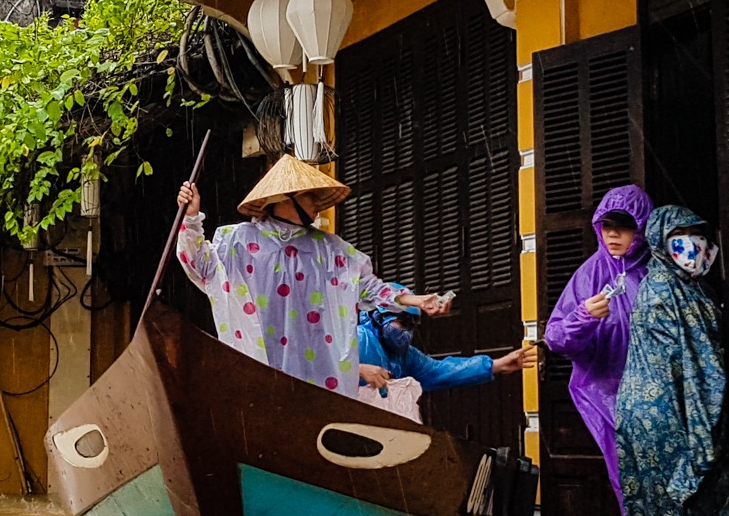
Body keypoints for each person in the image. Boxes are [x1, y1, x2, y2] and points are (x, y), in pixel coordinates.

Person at [175, 155, 447, 396]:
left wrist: (417, 301)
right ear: (284, 198)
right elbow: (200, 265)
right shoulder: (239, 241)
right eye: (309, 196)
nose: (317, 204)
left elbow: (368, 287)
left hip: (316, 369)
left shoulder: (329, 250)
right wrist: (191, 217)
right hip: (258, 362)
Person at [615, 205, 729, 516]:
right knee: (680, 507)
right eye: (680, 237)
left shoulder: (679, 287)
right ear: (660, 242)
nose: (693, 246)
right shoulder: (667, 291)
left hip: (646, 411)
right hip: (666, 413)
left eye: (698, 235)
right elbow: (701, 363)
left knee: (659, 507)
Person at [543, 186, 653, 516]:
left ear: (643, 227)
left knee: (668, 477)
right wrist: (584, 317)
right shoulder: (590, 274)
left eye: (624, 225)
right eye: (607, 226)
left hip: (657, 395)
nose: (614, 234)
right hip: (606, 394)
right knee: (627, 480)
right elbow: (556, 339)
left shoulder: (659, 271)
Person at [354, 300, 535, 392]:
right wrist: (358, 370)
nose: (407, 332)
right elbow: (326, 366)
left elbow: (439, 371)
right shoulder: (358, 339)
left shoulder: (405, 355)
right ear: (378, 318)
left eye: (412, 326)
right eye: (402, 323)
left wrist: (496, 365)